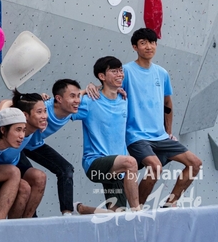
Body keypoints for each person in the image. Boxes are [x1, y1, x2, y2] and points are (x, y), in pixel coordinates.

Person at [122, 28, 202, 207]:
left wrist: (169, 132)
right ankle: (137, 210)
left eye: (152, 42)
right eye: (143, 43)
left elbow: (167, 103)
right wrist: (89, 88)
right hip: (137, 135)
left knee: (195, 164)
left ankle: (170, 204)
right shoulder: (126, 71)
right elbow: (107, 90)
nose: (149, 47)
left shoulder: (161, 73)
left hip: (161, 136)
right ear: (135, 47)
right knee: (155, 167)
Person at [72, 56, 140, 213]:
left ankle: (81, 208)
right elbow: (64, 105)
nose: (120, 74)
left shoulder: (124, 99)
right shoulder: (90, 100)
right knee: (130, 162)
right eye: (114, 71)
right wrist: (84, 91)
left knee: (116, 216)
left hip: (118, 169)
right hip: (95, 164)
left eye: (121, 71)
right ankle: (137, 213)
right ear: (102, 76)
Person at [22, 79, 81, 215]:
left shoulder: (74, 108)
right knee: (31, 181)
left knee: (66, 169)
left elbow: (90, 94)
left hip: (34, 146)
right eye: (72, 96)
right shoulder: (45, 107)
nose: (77, 100)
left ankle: (67, 215)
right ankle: (30, 219)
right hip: (18, 145)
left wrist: (103, 88)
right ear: (59, 98)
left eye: (78, 96)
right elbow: (9, 103)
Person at [0, 90, 47, 218]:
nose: (44, 116)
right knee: (23, 188)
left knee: (40, 177)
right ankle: (11, 227)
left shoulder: (37, 124)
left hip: (12, 162)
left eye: (45, 111)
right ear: (25, 115)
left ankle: (28, 222)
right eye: (39, 112)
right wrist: (2, 117)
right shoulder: (9, 127)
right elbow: (4, 102)